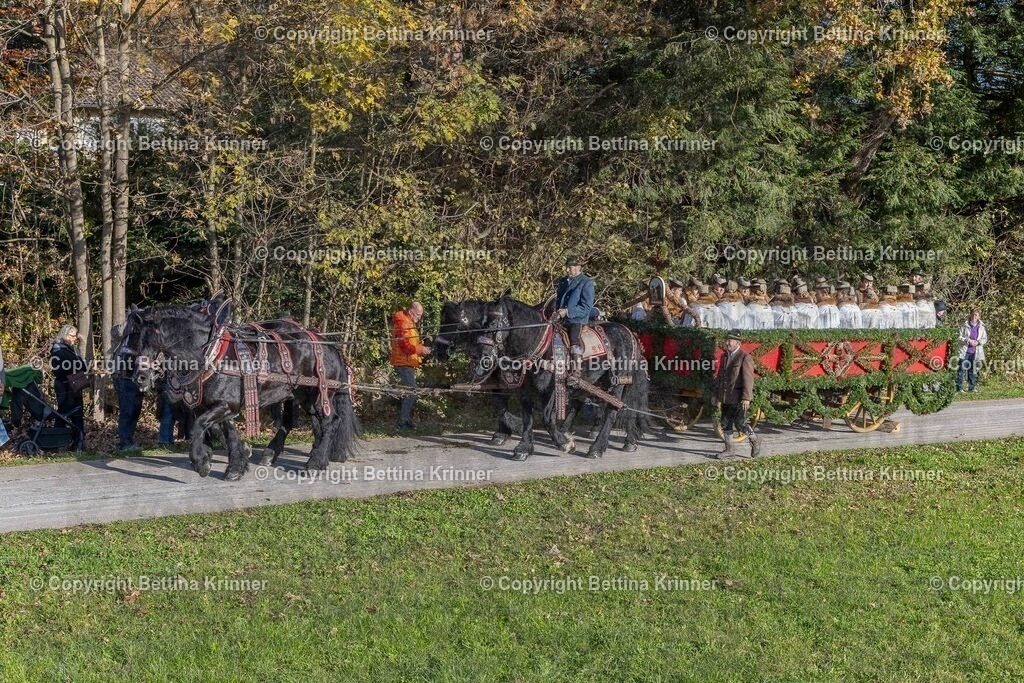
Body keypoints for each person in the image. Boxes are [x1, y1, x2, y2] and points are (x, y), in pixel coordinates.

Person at [712, 329, 761, 459]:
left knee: (740, 424)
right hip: (726, 397)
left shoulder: (745, 357)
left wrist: (746, 398)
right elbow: (720, 377)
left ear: (738, 342)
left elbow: (748, 379)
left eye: (730, 341)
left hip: (739, 398)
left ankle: (755, 440)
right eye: (726, 340)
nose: (727, 343)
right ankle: (729, 449)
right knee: (725, 423)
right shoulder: (724, 356)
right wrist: (716, 394)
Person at [390, 301, 432, 429]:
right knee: (412, 392)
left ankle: (406, 420)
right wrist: (422, 349)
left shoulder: (408, 322)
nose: (419, 318)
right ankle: (403, 422)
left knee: (410, 392)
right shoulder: (404, 323)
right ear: (411, 312)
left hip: (407, 362)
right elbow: (406, 347)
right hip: (403, 362)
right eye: (418, 315)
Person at [554, 255, 596, 374]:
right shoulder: (563, 281)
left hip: (577, 320)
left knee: (574, 339)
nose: (567, 270)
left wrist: (567, 312)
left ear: (578, 268)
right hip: (559, 319)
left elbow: (586, 307)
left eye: (570, 267)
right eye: (566, 267)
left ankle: (575, 370)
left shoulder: (586, 283)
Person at [50, 324, 88, 450]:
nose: (74, 339)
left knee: (77, 414)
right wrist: (75, 366)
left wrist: (77, 365)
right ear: (65, 335)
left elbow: (82, 365)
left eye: (75, 336)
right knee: (63, 414)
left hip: (75, 385)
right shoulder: (57, 349)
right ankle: (56, 442)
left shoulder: (72, 349)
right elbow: (58, 370)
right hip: (64, 387)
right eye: (72, 336)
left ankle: (79, 442)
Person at [112, 323, 143, 451]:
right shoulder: (126, 342)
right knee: (127, 411)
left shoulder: (134, 342)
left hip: (134, 380)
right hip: (125, 379)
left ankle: (128, 439)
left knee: (134, 411)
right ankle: (125, 442)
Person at [956, 308, 987, 392]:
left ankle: (972, 387)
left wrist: (978, 342)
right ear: (970, 314)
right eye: (973, 314)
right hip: (964, 350)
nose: (974, 316)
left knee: (972, 370)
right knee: (961, 370)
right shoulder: (964, 325)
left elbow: (984, 339)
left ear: (979, 316)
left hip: (975, 351)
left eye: (976, 315)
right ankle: (959, 388)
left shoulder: (981, 327)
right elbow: (959, 337)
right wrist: (968, 340)